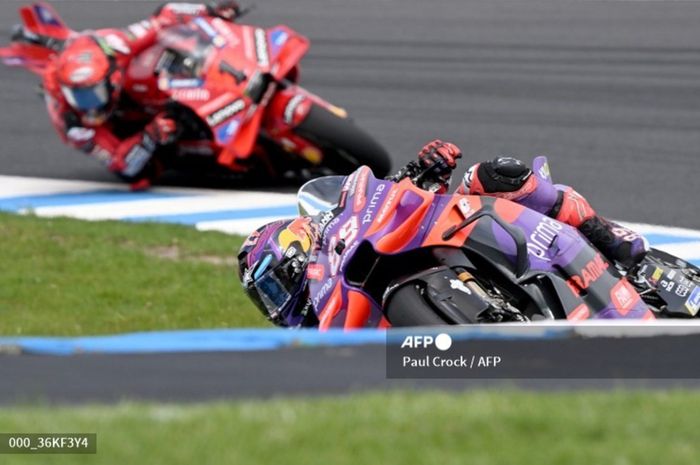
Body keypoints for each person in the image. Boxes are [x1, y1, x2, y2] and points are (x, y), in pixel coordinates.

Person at [237, 140, 649, 327]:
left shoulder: (333, 250)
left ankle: (604, 234)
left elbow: (387, 203)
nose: (277, 303)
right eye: (267, 298)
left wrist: (422, 171)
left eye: (273, 286)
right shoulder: (311, 345)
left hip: (430, 247)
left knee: (493, 177)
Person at [42, 1, 241, 190]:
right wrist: (150, 134)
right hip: (125, 128)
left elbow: (166, 13)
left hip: (120, 74)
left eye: (93, 95)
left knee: (168, 50)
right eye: (79, 97)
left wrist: (210, 10)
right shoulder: (75, 126)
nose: (89, 106)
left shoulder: (119, 45)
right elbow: (121, 164)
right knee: (137, 172)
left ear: (111, 80)